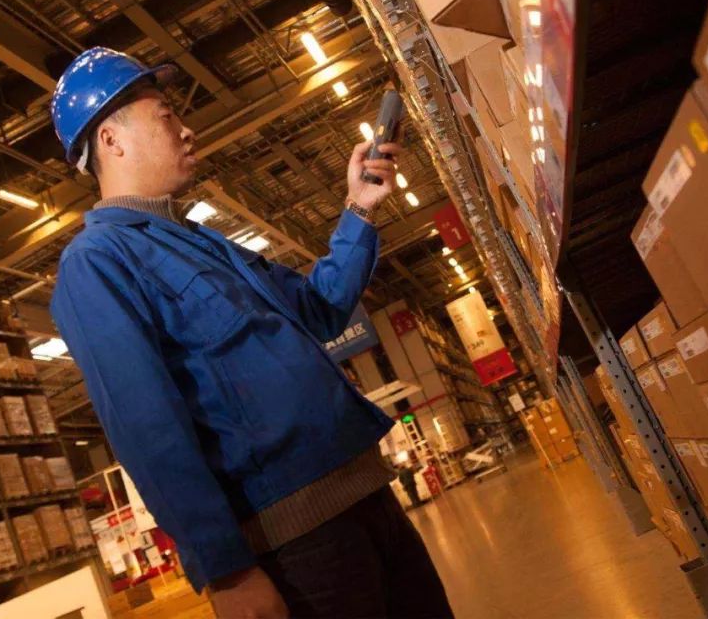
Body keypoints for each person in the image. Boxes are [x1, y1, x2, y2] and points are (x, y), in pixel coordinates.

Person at [50, 48, 453, 619]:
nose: (186, 129)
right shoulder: (97, 262)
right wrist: (228, 571)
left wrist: (359, 210)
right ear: (111, 140)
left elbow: (318, 309)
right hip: (297, 540)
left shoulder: (203, 241)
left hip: (366, 494)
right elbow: (147, 426)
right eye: (166, 115)